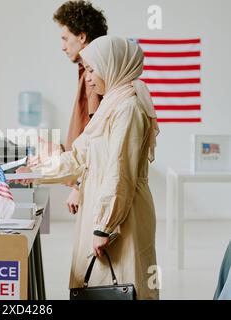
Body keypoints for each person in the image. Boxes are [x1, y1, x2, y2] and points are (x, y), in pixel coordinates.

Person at [18, 36, 160, 299]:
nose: (89, 78)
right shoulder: (111, 104)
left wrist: (104, 227)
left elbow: (120, 172)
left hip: (121, 215)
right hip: (103, 208)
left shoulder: (128, 107)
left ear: (112, 65)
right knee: (98, 285)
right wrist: (37, 173)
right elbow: (79, 157)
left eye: (93, 69)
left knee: (124, 285)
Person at [32, 1, 108, 215]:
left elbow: (97, 137)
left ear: (82, 37)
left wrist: (79, 186)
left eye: (65, 38)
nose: (63, 46)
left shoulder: (92, 77)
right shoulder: (89, 72)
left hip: (91, 182)